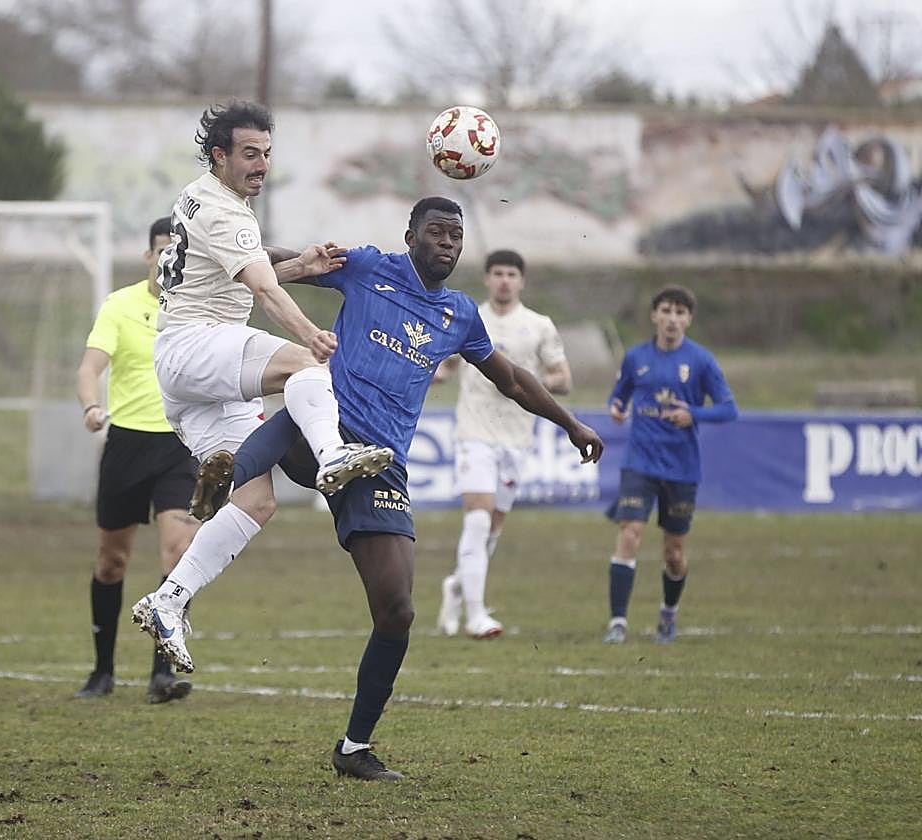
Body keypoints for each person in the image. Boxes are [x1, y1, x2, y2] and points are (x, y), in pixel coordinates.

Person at [138, 197, 604, 780]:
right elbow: (281, 261)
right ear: (410, 236)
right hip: (325, 425)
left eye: (456, 236)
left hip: (379, 464)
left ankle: (354, 747)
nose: (447, 243)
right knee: (306, 389)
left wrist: (570, 423)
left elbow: (509, 378)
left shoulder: (459, 314)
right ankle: (228, 473)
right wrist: (220, 255)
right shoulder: (366, 266)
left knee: (397, 611)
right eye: (436, 232)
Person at [130, 100, 392, 649]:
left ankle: (168, 601)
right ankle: (332, 455)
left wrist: (302, 267)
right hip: (196, 346)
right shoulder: (223, 209)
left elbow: (238, 273)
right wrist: (310, 334)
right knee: (307, 364)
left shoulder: (204, 197)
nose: (262, 165)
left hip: (194, 374)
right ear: (218, 155)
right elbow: (262, 290)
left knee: (255, 502)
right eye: (250, 154)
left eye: (267, 153)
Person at [73, 216, 200, 704]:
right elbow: (90, 368)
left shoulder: (198, 310)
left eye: (178, 252)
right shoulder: (119, 305)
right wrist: (91, 406)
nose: (169, 259)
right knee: (112, 561)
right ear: (149, 255)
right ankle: (102, 671)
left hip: (179, 446)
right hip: (126, 445)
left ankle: (162, 673)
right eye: (163, 250)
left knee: (178, 553)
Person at [433, 249, 573, 639]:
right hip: (474, 432)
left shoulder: (539, 325)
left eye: (511, 274)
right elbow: (445, 367)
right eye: (497, 273)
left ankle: (456, 586)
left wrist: (530, 382)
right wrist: (429, 372)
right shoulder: (468, 318)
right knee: (477, 520)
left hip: (516, 438)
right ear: (487, 278)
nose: (504, 280)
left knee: (491, 531)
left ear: (521, 280)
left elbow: (563, 378)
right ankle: (476, 616)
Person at [602, 284, 737, 645]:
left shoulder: (701, 361)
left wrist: (693, 414)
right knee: (629, 532)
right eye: (666, 311)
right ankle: (618, 622)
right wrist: (616, 408)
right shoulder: (635, 357)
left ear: (688, 319)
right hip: (640, 462)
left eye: (680, 313)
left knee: (674, 553)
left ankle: (669, 611)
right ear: (654, 316)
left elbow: (729, 409)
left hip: (681, 467)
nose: (672, 319)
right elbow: (619, 395)